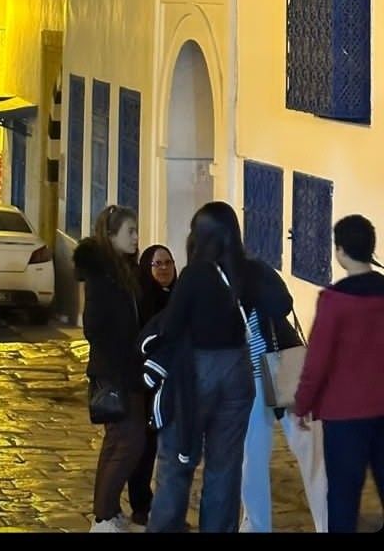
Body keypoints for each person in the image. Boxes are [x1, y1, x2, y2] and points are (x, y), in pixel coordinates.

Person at [145, 201, 255, 534]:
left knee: (178, 458)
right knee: (225, 465)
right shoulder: (248, 272)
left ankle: (165, 526)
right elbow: (281, 304)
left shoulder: (194, 276)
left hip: (197, 372)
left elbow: (172, 326)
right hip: (238, 370)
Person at [294, 213, 384, 535]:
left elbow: (317, 361)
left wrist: (302, 405)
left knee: (344, 498)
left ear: (340, 250)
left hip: (345, 415)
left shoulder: (335, 300)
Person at [73, 204, 150, 533]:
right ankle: (104, 518)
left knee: (118, 442)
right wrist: (125, 352)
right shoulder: (103, 277)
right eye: (129, 232)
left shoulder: (122, 270)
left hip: (126, 369)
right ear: (110, 235)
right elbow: (93, 326)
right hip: (116, 371)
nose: (136, 237)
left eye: (136, 231)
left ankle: (106, 511)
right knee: (129, 442)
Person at [239, 253, 327, 532]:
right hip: (246, 379)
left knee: (311, 448)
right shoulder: (211, 277)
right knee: (251, 459)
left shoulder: (254, 269)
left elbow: (283, 304)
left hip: (283, 364)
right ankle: (255, 523)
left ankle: (329, 521)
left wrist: (251, 281)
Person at [126, 244, 178, 529]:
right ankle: (141, 504)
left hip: (175, 385)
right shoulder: (142, 300)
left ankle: (169, 510)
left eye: (168, 262)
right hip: (148, 384)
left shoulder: (181, 298)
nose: (164, 268)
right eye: (157, 264)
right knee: (145, 448)